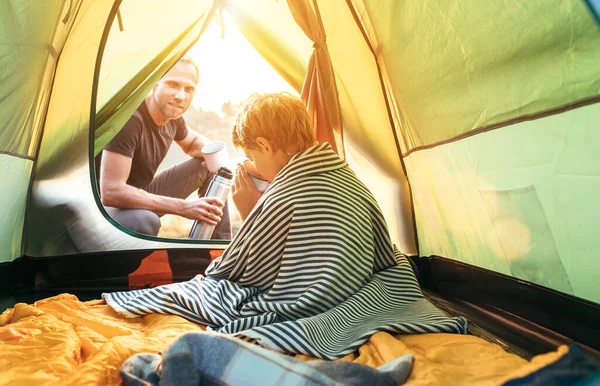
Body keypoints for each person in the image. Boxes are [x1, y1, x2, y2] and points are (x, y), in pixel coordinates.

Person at [103, 92, 467, 359]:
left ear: (265, 144)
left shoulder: (284, 194)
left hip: (315, 303)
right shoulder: (348, 178)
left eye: (252, 156)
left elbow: (240, 273)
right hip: (367, 288)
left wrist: (249, 212)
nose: (253, 166)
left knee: (212, 292)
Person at [97, 58, 231, 239]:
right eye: (173, 85)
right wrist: (183, 207)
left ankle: (216, 251)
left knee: (211, 167)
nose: (180, 96)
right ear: (154, 84)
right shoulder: (130, 120)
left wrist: (218, 159)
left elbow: (192, 144)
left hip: (137, 198)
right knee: (145, 220)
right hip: (103, 212)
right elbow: (111, 192)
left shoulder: (173, 119)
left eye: (188, 89)